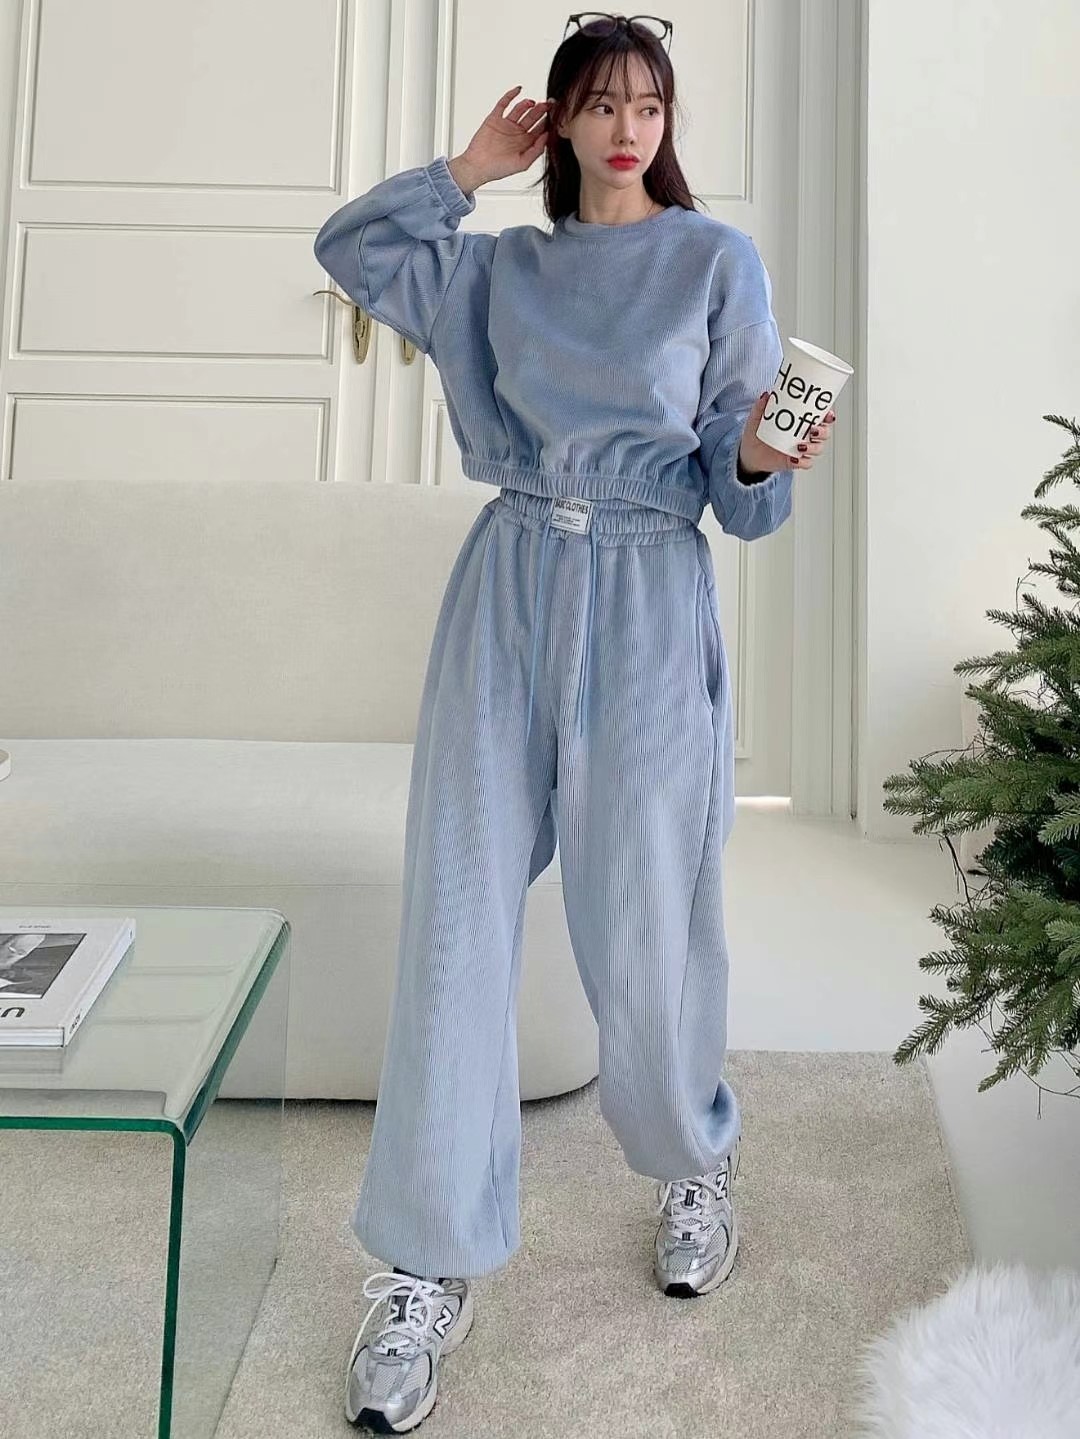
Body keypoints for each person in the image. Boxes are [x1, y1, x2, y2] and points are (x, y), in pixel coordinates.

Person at [315, 13, 834, 1432]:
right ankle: (425, 1267)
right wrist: (464, 171)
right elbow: (354, 251)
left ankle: (691, 1165)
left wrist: (757, 455)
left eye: (647, 105)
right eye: (599, 104)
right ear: (557, 120)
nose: (626, 128)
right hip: (509, 588)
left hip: (653, 594)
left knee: (646, 922)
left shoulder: (716, 262)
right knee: (456, 924)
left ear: (669, 122)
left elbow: (743, 502)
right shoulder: (503, 270)